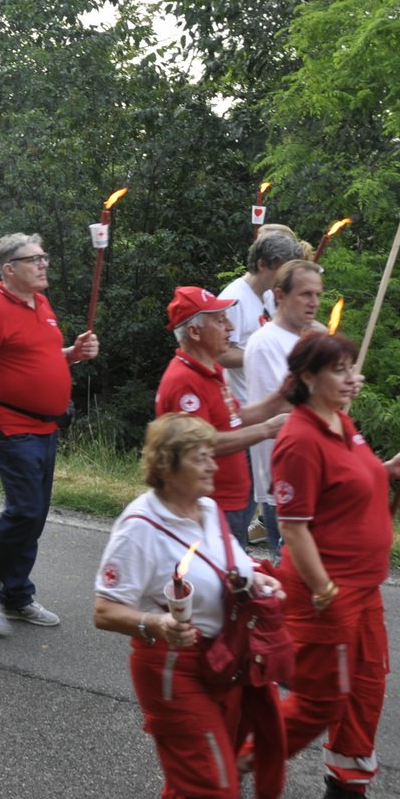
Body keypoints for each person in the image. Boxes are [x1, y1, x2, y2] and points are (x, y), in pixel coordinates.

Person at [93, 413, 287, 799]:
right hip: (172, 668)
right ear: (168, 464)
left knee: (193, 781)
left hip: (225, 664)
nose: (214, 467)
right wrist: (156, 622)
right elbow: (102, 610)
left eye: (211, 456)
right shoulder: (141, 524)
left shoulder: (210, 510)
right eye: (201, 459)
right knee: (216, 792)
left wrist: (258, 580)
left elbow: (233, 569)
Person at [268, 331, 400, 799]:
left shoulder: (342, 422)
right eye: (340, 370)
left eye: (353, 368)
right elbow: (293, 525)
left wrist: (391, 466)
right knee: (320, 702)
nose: (353, 378)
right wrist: (323, 589)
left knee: (365, 688)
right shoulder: (299, 437)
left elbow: (352, 480)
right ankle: (234, 767)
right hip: (326, 591)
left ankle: (346, 793)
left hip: (364, 586)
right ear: (308, 377)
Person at [0, 232, 97, 636]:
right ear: (9, 269)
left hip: (45, 426)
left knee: (33, 515)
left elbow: (40, 357)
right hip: (9, 426)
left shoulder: (41, 303)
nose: (43, 264)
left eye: (44, 256)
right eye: (33, 259)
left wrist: (72, 354)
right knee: (25, 510)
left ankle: (15, 596)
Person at [155, 286, 290, 543]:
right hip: (209, 507)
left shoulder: (209, 370)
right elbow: (203, 443)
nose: (230, 327)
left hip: (227, 504)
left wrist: (279, 400)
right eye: (220, 320)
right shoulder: (184, 380)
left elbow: (233, 418)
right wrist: (268, 429)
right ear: (194, 331)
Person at [239, 260, 323, 558]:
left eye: (317, 295)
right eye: (305, 294)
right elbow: (284, 405)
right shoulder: (266, 343)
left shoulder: (312, 340)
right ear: (280, 295)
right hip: (283, 477)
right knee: (289, 577)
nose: (313, 302)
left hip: (316, 474)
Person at [216, 228, 304, 400]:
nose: (285, 280)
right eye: (281, 272)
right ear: (262, 265)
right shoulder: (233, 300)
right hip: (245, 406)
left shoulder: (269, 293)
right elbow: (221, 354)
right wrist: (262, 354)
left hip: (271, 402)